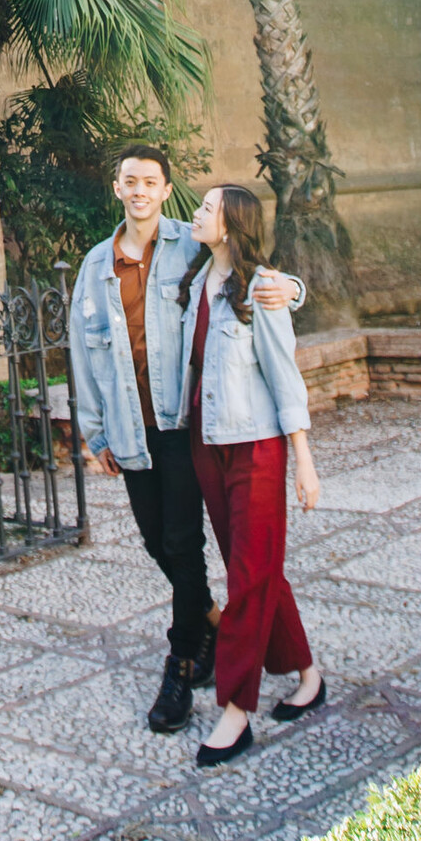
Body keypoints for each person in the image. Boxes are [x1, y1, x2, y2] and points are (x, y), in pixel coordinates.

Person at [67, 147, 305, 734]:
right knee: (157, 542)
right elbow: (81, 354)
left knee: (182, 540)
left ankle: (183, 662)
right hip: (129, 429)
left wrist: (292, 289)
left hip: (183, 427)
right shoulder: (96, 268)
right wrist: (92, 433)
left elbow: (249, 267)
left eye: (151, 181)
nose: (141, 190)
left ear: (165, 188)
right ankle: (211, 620)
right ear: (117, 188)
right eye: (131, 181)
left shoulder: (191, 244)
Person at [175, 182, 323, 768]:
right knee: (255, 568)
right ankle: (308, 673)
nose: (196, 213)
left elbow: (285, 377)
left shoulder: (262, 289)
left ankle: (236, 708)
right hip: (208, 443)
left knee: (248, 578)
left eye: (207, 208)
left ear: (232, 225)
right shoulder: (196, 283)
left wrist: (303, 461)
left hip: (257, 446)